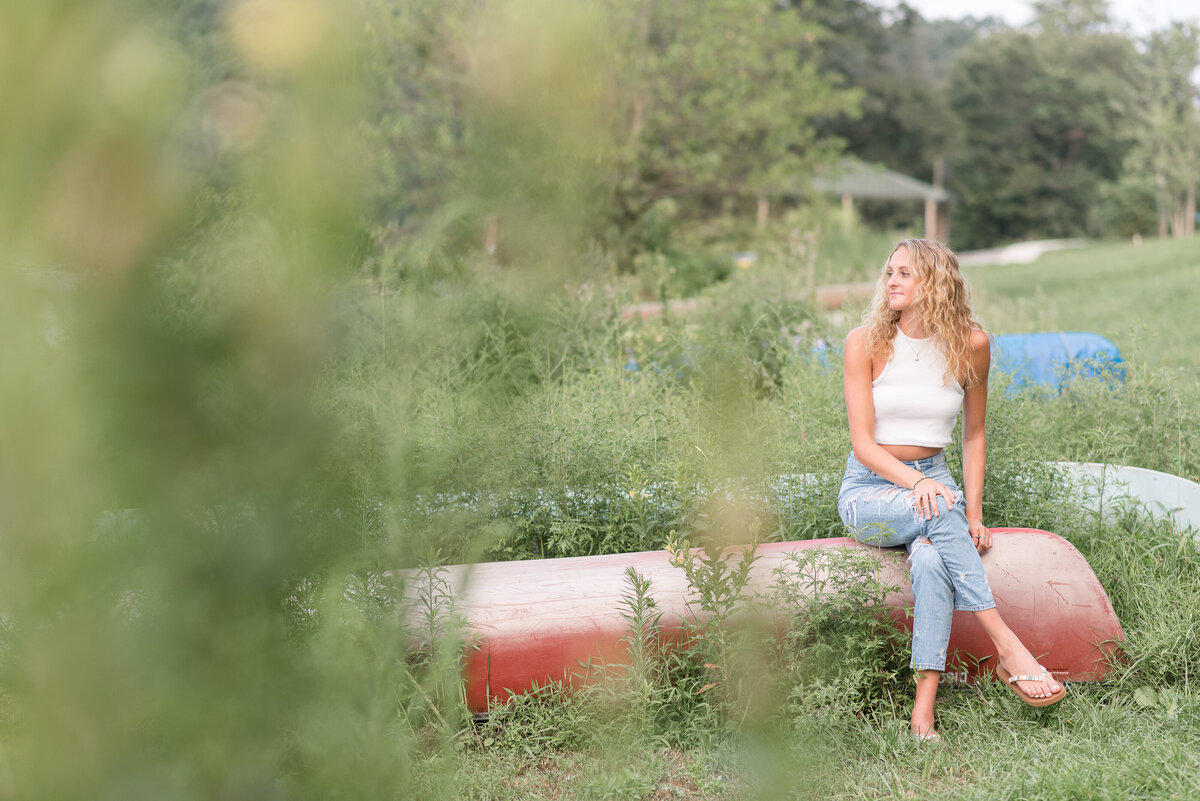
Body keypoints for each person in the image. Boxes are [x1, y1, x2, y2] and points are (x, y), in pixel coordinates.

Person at [837, 238, 1065, 741]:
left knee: (930, 560)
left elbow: (975, 434)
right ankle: (1007, 646)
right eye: (889, 272)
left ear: (935, 284)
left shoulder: (972, 344)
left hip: (934, 483)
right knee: (941, 507)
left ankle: (923, 713)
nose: (891, 281)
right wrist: (921, 485)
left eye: (905, 274)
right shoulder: (865, 342)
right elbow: (863, 443)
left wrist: (975, 514)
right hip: (870, 490)